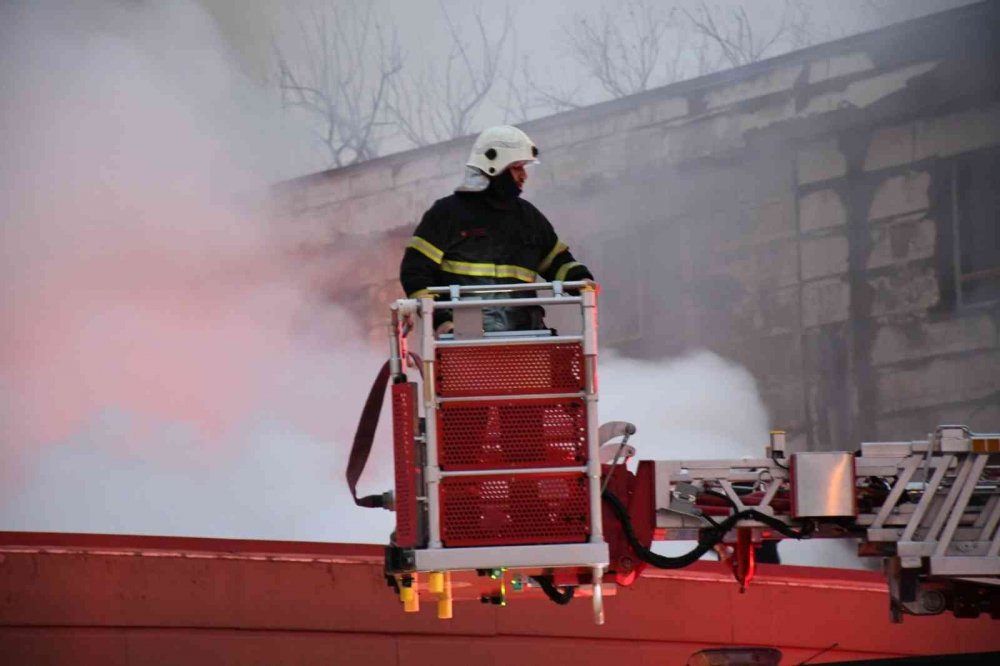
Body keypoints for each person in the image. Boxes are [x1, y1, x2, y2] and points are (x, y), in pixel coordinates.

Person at [399, 125, 594, 334]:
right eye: (517, 167)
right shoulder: (447, 214)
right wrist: (441, 321)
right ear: (495, 167)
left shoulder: (528, 218)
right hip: (464, 342)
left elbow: (557, 262)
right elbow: (415, 271)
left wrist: (581, 281)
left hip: (527, 338)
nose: (524, 176)